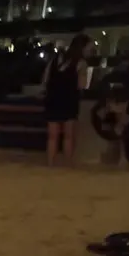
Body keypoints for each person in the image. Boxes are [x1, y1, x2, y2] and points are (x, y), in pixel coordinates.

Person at [42, 34, 92, 167]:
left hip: (53, 99)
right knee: (68, 136)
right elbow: (82, 85)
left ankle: (50, 163)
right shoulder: (81, 63)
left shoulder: (55, 60)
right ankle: (67, 164)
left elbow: (45, 79)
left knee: (52, 136)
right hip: (69, 99)